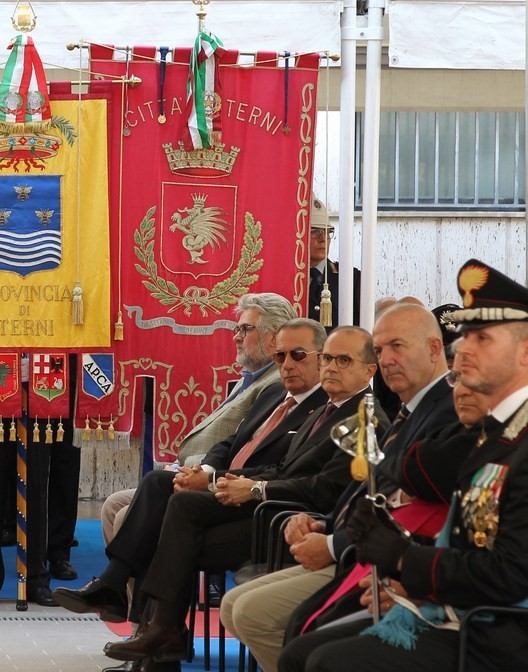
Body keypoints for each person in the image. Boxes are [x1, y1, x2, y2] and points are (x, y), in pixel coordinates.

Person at [282, 259, 528, 672]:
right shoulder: (498, 435)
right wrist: (398, 561)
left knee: (326, 661)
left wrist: (403, 560)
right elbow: (474, 545)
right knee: (301, 653)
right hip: (464, 610)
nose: (463, 349)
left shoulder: (515, 441)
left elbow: (509, 575)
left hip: (496, 633)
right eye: (465, 336)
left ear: (524, 353)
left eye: (482, 338)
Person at [97, 326, 385, 666]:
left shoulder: (365, 420)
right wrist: (227, 481)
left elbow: (324, 490)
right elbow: (277, 465)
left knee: (169, 527)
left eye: (343, 360)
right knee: (171, 503)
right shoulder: (326, 410)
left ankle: (158, 631)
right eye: (328, 359)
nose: (332, 367)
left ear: (370, 369)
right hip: (269, 505)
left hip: (291, 521)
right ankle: (158, 632)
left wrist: (253, 489)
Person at [220, 302, 457, 672]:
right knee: (235, 606)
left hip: (386, 562)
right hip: (344, 538)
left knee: (262, 619)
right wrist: (324, 524)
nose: (389, 359)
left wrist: (330, 540)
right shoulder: (407, 410)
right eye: (381, 349)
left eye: (397, 346)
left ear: (433, 348)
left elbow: (411, 509)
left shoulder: (443, 412)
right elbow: (368, 493)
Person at [59, 317, 328, 624]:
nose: (287, 364)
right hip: (223, 481)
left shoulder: (322, 408)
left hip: (258, 503)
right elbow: (230, 441)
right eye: (280, 356)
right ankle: (128, 603)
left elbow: (281, 470)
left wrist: (210, 480)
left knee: (166, 509)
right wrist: (206, 468)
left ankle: (149, 625)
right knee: (158, 484)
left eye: (298, 355)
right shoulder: (274, 393)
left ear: (322, 358)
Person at [95, 294, 296, 599]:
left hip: (240, 491)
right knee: (114, 505)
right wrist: (199, 467)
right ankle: (131, 608)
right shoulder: (252, 378)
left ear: (273, 335)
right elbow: (232, 440)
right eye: (236, 329)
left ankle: (146, 616)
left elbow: (252, 452)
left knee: (129, 512)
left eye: (245, 330)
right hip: (210, 472)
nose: (236, 337)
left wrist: (202, 473)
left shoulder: (275, 386)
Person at [308, 195, 362, 328]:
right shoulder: (284, 278)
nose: (323, 239)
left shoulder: (350, 278)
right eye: (315, 232)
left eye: (327, 232)